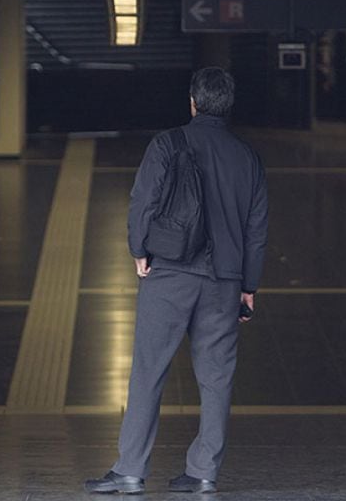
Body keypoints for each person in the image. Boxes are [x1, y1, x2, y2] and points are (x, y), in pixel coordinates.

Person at [86, 67, 268, 495]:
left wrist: (139, 250)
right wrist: (249, 286)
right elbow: (256, 229)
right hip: (224, 280)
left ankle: (131, 469)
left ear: (193, 102)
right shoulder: (247, 157)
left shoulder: (167, 144)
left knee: (149, 369)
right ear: (229, 105)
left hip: (170, 271)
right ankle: (204, 471)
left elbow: (143, 201)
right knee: (216, 377)